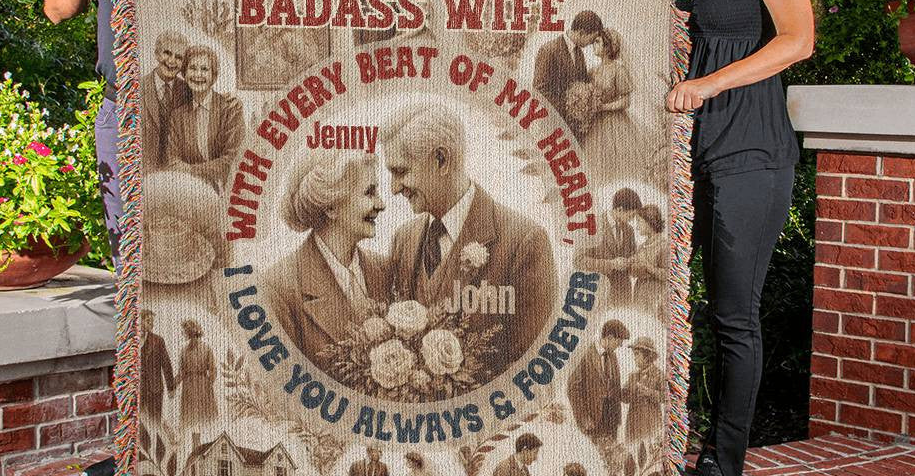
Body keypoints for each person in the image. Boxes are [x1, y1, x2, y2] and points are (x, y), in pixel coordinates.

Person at [48, 0, 276, 476]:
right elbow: (56, 7)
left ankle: (223, 445)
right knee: (136, 285)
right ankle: (140, 448)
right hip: (130, 119)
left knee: (222, 279)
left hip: (212, 129)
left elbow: (273, 12)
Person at [665, 0, 813, 476]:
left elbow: (797, 41)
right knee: (655, 304)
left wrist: (707, 85)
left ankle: (721, 463)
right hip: (674, 155)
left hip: (749, 150)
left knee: (732, 315)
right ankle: (652, 442)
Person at [382, 104, 556, 379]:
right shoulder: (403, 240)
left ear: (441, 160)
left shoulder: (525, 242)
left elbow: (534, 373)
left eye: (401, 172)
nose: (393, 188)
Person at [266, 150, 388, 381]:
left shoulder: (385, 269)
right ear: (331, 207)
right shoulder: (279, 287)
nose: (381, 204)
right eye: (369, 192)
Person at [166, 44, 244, 192]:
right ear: (184, 73)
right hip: (189, 191)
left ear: (214, 76)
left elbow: (232, 159)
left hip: (228, 192)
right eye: (193, 68)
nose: (198, 75)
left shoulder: (230, 108)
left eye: (204, 69)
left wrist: (190, 171)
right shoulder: (177, 116)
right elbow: (172, 161)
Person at [581, 23, 646, 182]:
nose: (593, 45)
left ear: (608, 46)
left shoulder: (618, 70)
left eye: (597, 42)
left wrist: (602, 107)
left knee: (617, 164)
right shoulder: (592, 71)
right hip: (595, 124)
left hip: (615, 124)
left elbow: (625, 101)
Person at [532, 10, 604, 131]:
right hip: (551, 124)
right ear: (582, 33)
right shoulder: (549, 50)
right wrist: (570, 107)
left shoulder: (579, 53)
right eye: (591, 40)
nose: (591, 44)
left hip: (572, 126)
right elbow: (539, 91)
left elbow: (583, 83)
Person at [566, 318, 629, 442]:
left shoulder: (613, 356)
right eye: (619, 341)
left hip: (611, 419)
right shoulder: (584, 354)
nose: (620, 345)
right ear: (609, 337)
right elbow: (573, 389)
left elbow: (614, 387)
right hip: (592, 420)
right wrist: (583, 418)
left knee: (611, 456)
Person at [581, 187, 642, 306]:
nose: (633, 219)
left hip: (623, 297)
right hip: (598, 295)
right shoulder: (591, 225)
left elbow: (633, 257)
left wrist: (636, 261)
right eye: (632, 214)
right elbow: (579, 261)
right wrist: (611, 264)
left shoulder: (629, 230)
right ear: (620, 209)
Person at [142, 31, 191, 167]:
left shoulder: (188, 90)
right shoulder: (139, 88)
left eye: (179, 57)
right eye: (167, 53)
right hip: (146, 170)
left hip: (174, 171)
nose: (171, 61)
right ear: (157, 54)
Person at [628, 204, 668, 322]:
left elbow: (667, 275)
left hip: (656, 297)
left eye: (639, 222)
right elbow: (633, 270)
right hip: (640, 294)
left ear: (649, 222)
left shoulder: (664, 245)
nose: (637, 226)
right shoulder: (642, 246)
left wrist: (647, 266)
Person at [176, 318, 218, 429]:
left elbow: (213, 370)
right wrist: (172, 384)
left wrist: (208, 385)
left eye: (188, 330)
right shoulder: (184, 351)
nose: (188, 334)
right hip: (188, 388)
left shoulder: (206, 348)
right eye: (186, 331)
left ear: (195, 331)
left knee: (205, 419)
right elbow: (181, 372)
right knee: (189, 419)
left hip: (203, 387)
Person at [623, 336, 663, 446]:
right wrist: (622, 392)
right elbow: (625, 398)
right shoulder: (633, 376)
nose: (634, 358)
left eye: (637, 354)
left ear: (647, 356)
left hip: (651, 422)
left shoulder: (659, 375)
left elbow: (667, 397)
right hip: (633, 423)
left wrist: (650, 392)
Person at [140, 308, 175, 427]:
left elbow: (166, 364)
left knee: (155, 422)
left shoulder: (158, 340)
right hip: (138, 389)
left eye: (152, 321)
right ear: (140, 321)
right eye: (149, 321)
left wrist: (171, 387)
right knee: (140, 423)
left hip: (155, 389)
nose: (152, 324)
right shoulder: (130, 340)